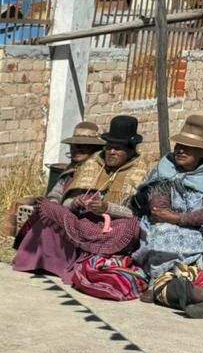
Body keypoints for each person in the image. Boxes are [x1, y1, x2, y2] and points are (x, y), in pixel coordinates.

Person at [12, 115, 149, 281]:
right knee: (49, 211)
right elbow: (65, 200)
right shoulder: (94, 164)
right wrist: (75, 203)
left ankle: (87, 265)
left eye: (118, 148)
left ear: (130, 151)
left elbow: (136, 214)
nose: (111, 152)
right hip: (83, 220)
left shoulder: (140, 172)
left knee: (129, 227)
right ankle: (46, 263)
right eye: (109, 147)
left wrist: (107, 208)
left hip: (112, 226)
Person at [133, 114, 203, 282]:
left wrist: (178, 218)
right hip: (163, 224)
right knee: (160, 232)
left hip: (199, 230)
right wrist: (167, 217)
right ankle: (158, 280)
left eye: (189, 147)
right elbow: (158, 207)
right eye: (179, 145)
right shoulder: (166, 166)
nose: (181, 150)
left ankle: (179, 278)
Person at [1, 121, 105, 236]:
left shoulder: (98, 171)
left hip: (82, 221)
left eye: (83, 146)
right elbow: (56, 193)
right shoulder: (71, 169)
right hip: (61, 214)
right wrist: (53, 204)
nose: (77, 149)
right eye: (74, 146)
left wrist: (70, 206)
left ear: (94, 149)